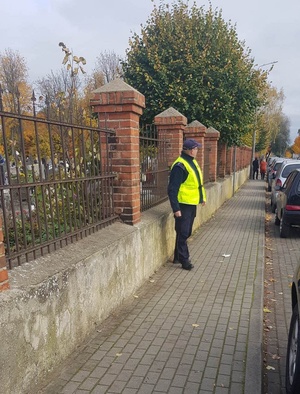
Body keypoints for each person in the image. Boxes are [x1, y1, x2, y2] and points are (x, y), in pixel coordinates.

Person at [167, 139, 206, 270]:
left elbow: (197, 184)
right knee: (183, 232)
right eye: (196, 149)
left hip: (191, 203)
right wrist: (176, 208)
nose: (197, 151)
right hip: (183, 204)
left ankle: (177, 256)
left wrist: (202, 198)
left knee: (185, 232)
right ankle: (185, 260)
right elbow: (172, 189)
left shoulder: (192, 162)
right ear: (190, 150)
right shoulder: (180, 166)